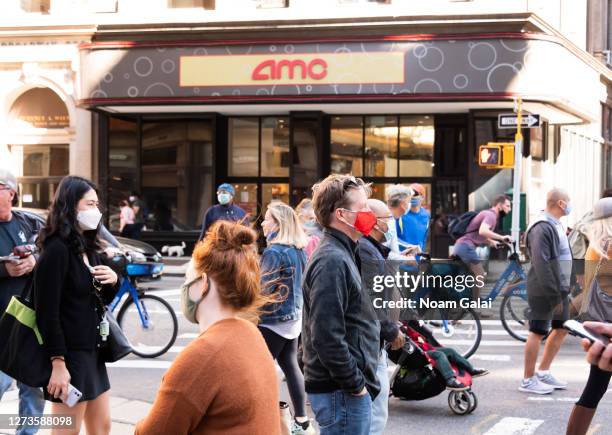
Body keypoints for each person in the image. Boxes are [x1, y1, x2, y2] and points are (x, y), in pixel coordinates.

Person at [136, 221, 280, 435]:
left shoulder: (202, 356)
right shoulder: (251, 333)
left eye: (187, 279)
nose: (184, 288)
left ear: (203, 284)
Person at [35, 176, 120, 434]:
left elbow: (93, 301)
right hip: (69, 357)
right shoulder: (56, 250)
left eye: (97, 204)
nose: (97, 211)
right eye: (90, 204)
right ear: (71, 206)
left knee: (101, 428)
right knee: (65, 430)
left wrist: (112, 281)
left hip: (92, 352)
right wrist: (58, 364)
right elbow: (47, 313)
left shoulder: (87, 247)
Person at [302, 174, 381, 435]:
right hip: (341, 392)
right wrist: (355, 385)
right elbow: (326, 336)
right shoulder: (332, 261)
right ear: (342, 215)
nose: (370, 213)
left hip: (344, 390)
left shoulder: (346, 252)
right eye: (363, 208)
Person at [259, 202, 313, 435]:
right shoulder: (298, 249)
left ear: (278, 223)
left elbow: (263, 290)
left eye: (267, 218)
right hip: (293, 319)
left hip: (271, 319)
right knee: (291, 366)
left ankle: (263, 418)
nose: (262, 222)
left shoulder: (274, 251)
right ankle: (301, 421)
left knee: (259, 369)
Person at [0, 169, 46, 435]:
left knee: (32, 390)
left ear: (11, 192)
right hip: (1, 325)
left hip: (29, 323)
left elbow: (54, 251)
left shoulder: (30, 222)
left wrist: (35, 260)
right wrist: (5, 270)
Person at [357, 199, 405, 435]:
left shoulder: (373, 248)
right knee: (376, 411)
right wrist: (390, 329)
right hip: (370, 339)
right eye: (387, 218)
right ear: (374, 222)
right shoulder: (365, 250)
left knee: (377, 408)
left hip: (375, 339)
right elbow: (371, 299)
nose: (391, 223)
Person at [519, 188, 573, 395]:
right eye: (568, 201)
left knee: (562, 327)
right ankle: (527, 379)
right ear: (561, 203)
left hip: (559, 287)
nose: (569, 205)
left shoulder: (556, 224)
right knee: (537, 331)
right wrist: (553, 295)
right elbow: (542, 264)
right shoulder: (541, 227)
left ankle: (543, 371)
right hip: (545, 289)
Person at [566, 197, 612, 435]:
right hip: (608, 328)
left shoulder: (595, 246)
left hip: (598, 325)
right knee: (594, 389)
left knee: (594, 389)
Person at [453, 194, 512, 300]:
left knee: (473, 275)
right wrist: (502, 237)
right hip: (465, 247)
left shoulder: (489, 214)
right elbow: (483, 231)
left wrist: (492, 242)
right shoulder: (491, 216)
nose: (509, 209)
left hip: (462, 246)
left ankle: (469, 301)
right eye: (507, 206)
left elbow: (478, 235)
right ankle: (475, 303)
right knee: (480, 274)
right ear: (499, 205)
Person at [404, 326, 489, 391]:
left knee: (450, 351)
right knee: (439, 355)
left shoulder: (409, 321)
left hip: (424, 348)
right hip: (415, 352)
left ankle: (470, 369)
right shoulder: (400, 325)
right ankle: (450, 380)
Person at [403, 183, 431, 253]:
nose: (411, 196)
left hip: (418, 259)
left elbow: (424, 238)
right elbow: (391, 237)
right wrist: (408, 247)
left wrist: (421, 253)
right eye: (409, 194)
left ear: (422, 197)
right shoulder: (401, 213)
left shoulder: (426, 215)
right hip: (402, 259)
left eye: (415, 193)